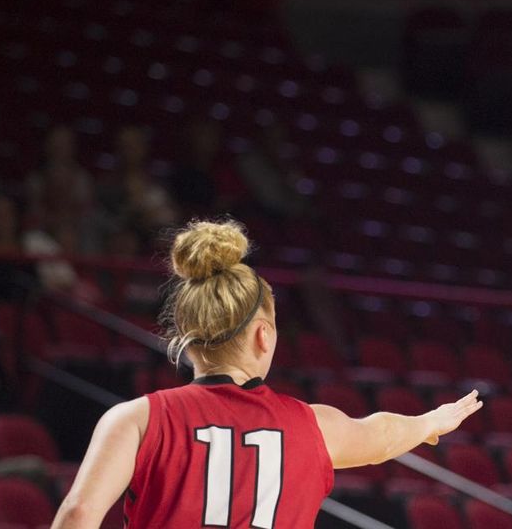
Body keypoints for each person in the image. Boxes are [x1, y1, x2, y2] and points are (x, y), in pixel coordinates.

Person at [52, 220, 482, 528]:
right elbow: (381, 433)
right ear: (264, 335)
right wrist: (430, 422)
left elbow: (78, 514)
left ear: (185, 334)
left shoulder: (136, 419)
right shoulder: (313, 426)